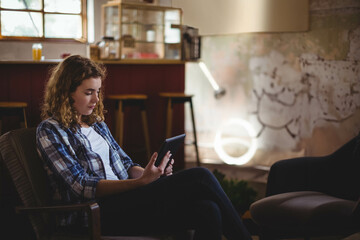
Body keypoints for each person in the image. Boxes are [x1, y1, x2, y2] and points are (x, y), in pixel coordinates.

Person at [36, 55, 252, 240]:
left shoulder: (97, 124)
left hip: (128, 201)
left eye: (98, 91)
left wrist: (151, 174)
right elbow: (81, 185)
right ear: (67, 92)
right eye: (88, 92)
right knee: (201, 177)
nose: (96, 99)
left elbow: (126, 163)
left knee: (208, 210)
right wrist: (138, 183)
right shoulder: (50, 130)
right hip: (95, 213)